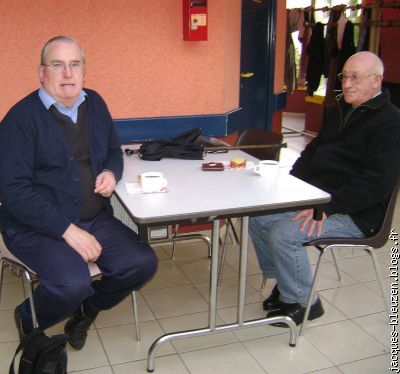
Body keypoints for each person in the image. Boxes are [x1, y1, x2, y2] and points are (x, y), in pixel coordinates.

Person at [0, 36, 158, 349]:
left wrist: (112, 172)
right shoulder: (20, 119)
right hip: (35, 227)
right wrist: (66, 230)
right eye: (57, 65)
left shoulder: (95, 103)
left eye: (75, 65)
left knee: (142, 263)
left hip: (92, 217)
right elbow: (12, 191)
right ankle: (29, 317)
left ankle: (88, 310)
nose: (68, 73)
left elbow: (114, 150)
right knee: (72, 284)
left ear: (84, 71)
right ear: (42, 73)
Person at [249, 51, 400, 326]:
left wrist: (328, 208)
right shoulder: (340, 111)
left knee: (285, 233)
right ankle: (285, 285)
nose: (347, 83)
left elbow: (378, 182)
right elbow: (311, 154)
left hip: (356, 214)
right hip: (318, 199)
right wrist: (289, 186)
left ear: (376, 81)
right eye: (344, 76)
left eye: (356, 77)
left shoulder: (391, 123)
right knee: (258, 218)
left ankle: (305, 303)